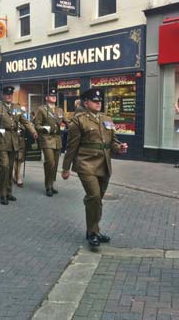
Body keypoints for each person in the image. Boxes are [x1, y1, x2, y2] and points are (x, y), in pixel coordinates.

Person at [62, 88, 128, 247]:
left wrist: (119, 147)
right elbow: (71, 146)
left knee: (96, 201)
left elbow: (113, 140)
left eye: (100, 101)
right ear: (86, 103)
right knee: (94, 197)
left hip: (104, 163)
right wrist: (66, 168)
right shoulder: (79, 120)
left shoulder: (107, 118)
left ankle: (94, 230)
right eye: (95, 101)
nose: (99, 103)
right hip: (86, 163)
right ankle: (92, 233)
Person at [0, 86, 37, 205]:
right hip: (1, 140)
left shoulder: (17, 107)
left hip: (14, 141)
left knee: (10, 168)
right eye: (7, 94)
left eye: (11, 94)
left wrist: (33, 131)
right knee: (4, 167)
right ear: (3, 95)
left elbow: (25, 121)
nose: (9, 96)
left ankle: (9, 192)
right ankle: (3, 194)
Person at [34, 88, 68, 196]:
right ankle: (47, 186)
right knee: (50, 162)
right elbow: (37, 125)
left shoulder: (59, 110)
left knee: (55, 164)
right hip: (46, 138)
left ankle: (51, 184)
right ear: (46, 98)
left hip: (57, 139)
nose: (54, 97)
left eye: (55, 95)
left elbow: (67, 122)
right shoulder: (41, 109)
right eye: (51, 95)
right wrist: (44, 128)